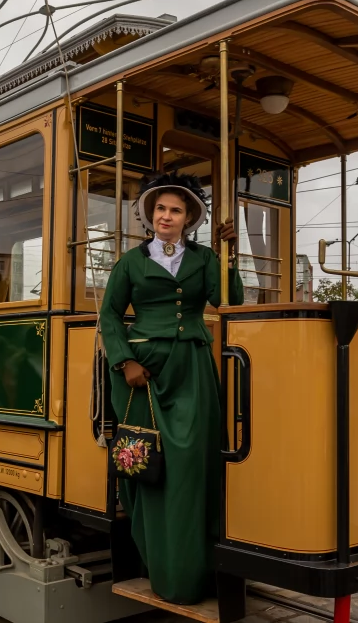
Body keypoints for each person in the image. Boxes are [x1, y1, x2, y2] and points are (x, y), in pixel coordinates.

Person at [98, 172, 242, 605]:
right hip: (141, 374)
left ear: (188, 218)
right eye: (160, 208)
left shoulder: (205, 258)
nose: (166, 216)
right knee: (149, 466)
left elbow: (228, 302)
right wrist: (124, 361)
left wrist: (229, 257)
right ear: (150, 214)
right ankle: (161, 567)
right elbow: (109, 315)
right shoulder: (130, 261)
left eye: (175, 210)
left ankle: (197, 571)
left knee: (192, 466)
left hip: (192, 367)